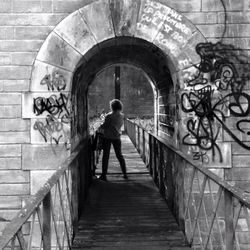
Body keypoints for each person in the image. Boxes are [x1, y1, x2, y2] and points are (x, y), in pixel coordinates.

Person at [99, 99, 127, 181]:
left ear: (112, 107)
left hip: (107, 137)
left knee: (106, 156)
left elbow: (104, 126)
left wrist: (101, 125)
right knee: (119, 155)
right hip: (117, 137)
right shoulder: (122, 116)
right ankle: (125, 173)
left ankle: (104, 175)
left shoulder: (109, 116)